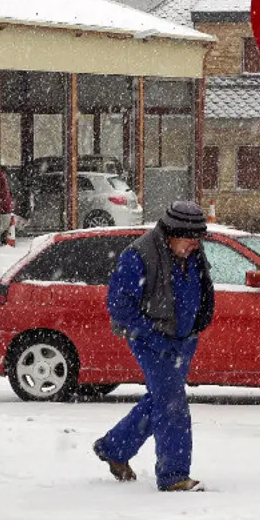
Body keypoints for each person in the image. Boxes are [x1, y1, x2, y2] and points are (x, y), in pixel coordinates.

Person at [93, 200, 216, 492]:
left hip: (183, 340)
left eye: (198, 239)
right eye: (189, 239)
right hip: (152, 341)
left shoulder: (190, 250)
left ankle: (114, 448)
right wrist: (153, 336)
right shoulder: (139, 255)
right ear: (171, 233)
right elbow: (119, 306)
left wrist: (197, 324)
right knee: (172, 403)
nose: (194, 245)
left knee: (160, 399)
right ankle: (174, 476)